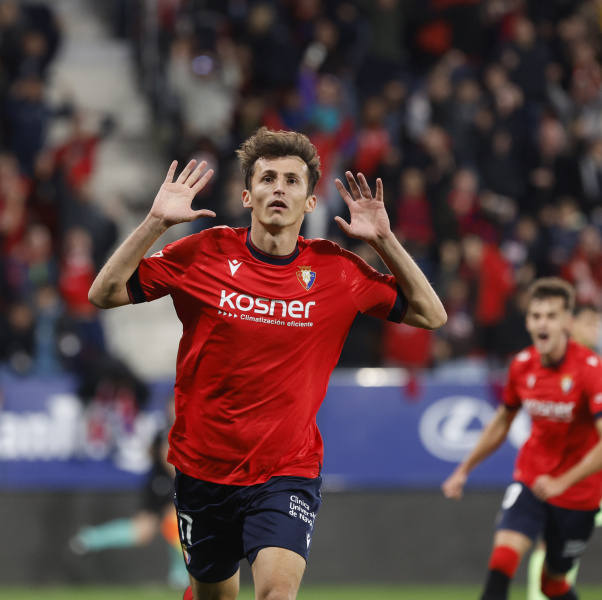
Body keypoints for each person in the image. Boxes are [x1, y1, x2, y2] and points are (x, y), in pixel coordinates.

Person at [88, 127, 446, 600]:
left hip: (286, 470)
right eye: (268, 178)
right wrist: (155, 222)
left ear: (311, 202)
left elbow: (431, 313)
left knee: (276, 595)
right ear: (246, 195)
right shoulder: (205, 253)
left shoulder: (337, 270)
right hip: (202, 469)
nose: (279, 187)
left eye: (292, 181)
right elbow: (103, 293)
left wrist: (384, 240)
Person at [443, 278, 602, 600]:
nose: (542, 323)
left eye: (551, 316)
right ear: (528, 321)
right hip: (531, 479)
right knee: (502, 560)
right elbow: (503, 421)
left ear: (567, 323)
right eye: (536, 315)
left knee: (552, 584)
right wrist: (464, 468)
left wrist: (562, 482)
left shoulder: (589, 369)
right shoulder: (521, 365)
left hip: (578, 493)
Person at [67, 397, 188, 589]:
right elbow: (167, 457)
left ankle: (91, 538)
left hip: (160, 483)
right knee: (176, 522)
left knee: (144, 531)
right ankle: (180, 574)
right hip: (165, 484)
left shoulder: (171, 429)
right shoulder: (171, 429)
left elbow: (151, 451)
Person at [526, 304, 602, 600]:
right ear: (570, 324)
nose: (595, 328)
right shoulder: (550, 364)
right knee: (553, 543)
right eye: (588, 322)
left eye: (598, 322)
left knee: (558, 544)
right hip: (573, 472)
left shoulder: (594, 365)